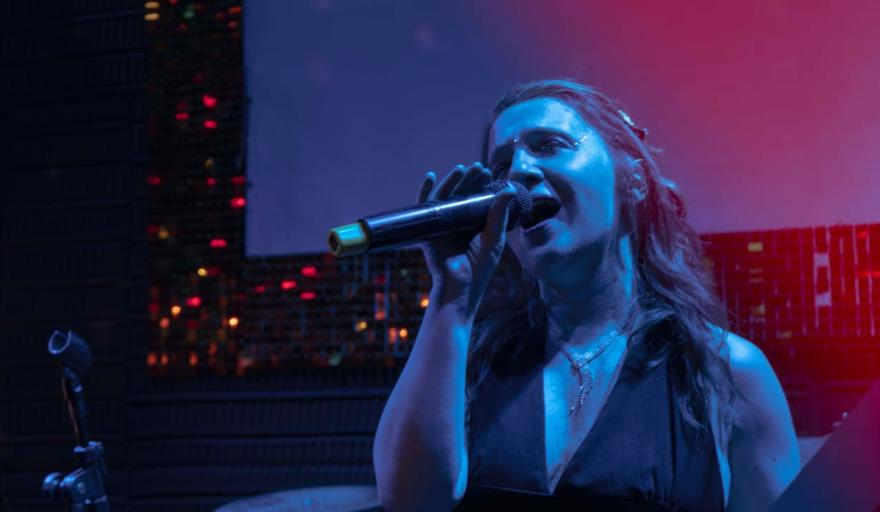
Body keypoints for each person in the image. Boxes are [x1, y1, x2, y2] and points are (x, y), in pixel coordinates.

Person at [372, 79, 800, 511]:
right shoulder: (468, 363)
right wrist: (451, 297)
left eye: (549, 145)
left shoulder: (726, 371)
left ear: (633, 180)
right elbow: (410, 503)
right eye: (501, 166)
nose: (517, 173)